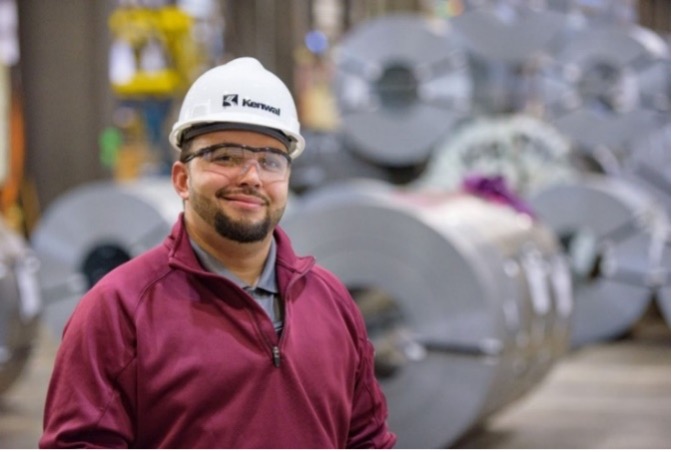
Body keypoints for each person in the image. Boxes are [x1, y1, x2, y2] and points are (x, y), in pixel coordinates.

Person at [39, 57, 396, 449]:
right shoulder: (119, 310)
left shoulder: (331, 301)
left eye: (270, 160)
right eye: (226, 156)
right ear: (181, 179)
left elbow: (367, 438)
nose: (251, 177)